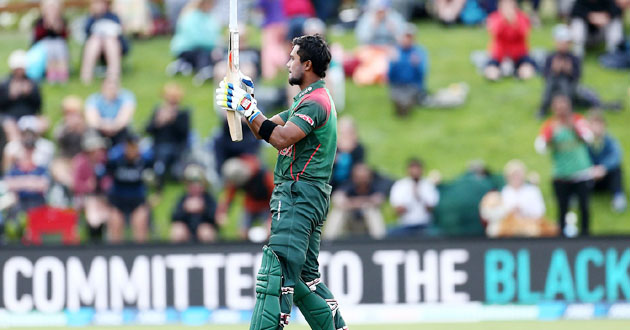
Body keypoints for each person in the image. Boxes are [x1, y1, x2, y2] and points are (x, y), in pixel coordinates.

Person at [216, 34, 348, 330]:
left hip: (298, 195)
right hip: (304, 196)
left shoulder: (315, 102)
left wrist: (248, 108)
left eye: (293, 58)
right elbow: (268, 128)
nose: (288, 63)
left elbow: (281, 139)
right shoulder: (308, 99)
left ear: (308, 64)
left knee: (275, 272)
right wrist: (246, 105)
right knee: (305, 279)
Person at [535, 94, 594, 236]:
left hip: (581, 173)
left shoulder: (578, 121)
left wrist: (574, 128)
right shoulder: (551, 126)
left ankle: (586, 235)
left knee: (584, 207)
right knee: (562, 208)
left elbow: (589, 138)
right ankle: (561, 237)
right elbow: (540, 147)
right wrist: (551, 135)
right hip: (561, 174)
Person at [538, 24, 615, 118]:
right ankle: (543, 109)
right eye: (560, 42)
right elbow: (545, 76)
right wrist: (554, 70)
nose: (563, 45)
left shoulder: (574, 58)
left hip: (570, 88)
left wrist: (569, 71)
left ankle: (568, 110)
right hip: (553, 88)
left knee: (565, 84)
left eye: (565, 42)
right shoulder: (550, 57)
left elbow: (578, 77)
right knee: (551, 85)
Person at [106, 133, 152, 243]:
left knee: (140, 224)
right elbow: (105, 174)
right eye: (129, 146)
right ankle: (115, 255)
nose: (132, 150)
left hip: (137, 198)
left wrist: (156, 194)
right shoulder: (114, 158)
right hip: (118, 198)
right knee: (115, 225)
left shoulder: (146, 159)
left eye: (134, 146)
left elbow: (156, 177)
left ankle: (141, 254)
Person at [145, 83, 190, 191]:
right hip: (157, 146)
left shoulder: (183, 113)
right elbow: (148, 130)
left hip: (176, 147)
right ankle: (156, 173)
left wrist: (174, 120)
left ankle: (159, 173)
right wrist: (158, 122)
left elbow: (184, 134)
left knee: (165, 152)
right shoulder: (158, 111)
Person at [217, 156, 274, 241]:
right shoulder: (235, 176)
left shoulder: (264, 176)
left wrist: (271, 219)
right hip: (250, 207)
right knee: (242, 233)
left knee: (271, 231)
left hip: (267, 207)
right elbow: (228, 197)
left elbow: (277, 197)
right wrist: (222, 213)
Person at [324, 163, 386, 240]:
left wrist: (352, 203)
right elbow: (337, 199)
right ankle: (328, 242)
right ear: (354, 177)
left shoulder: (375, 186)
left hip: (366, 224)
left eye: (364, 177)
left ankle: (379, 242)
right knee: (338, 212)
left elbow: (378, 200)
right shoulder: (347, 185)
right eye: (359, 177)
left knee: (371, 211)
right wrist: (364, 202)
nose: (362, 180)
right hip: (349, 222)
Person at [353, 0, 407, 85]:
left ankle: (378, 75)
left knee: (394, 58)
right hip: (371, 49)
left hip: (389, 49)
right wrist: (374, 26)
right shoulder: (367, 18)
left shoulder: (395, 18)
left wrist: (393, 30)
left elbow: (403, 40)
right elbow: (362, 40)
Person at [168, 0, 221, 83]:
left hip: (205, 48)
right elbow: (195, 39)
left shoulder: (209, 17)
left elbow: (215, 34)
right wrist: (215, 44)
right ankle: (203, 70)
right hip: (188, 48)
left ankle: (184, 65)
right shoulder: (190, 16)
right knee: (202, 54)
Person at [0, 50, 46, 142]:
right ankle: (17, 149)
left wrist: (30, 94)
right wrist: (10, 95)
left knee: (43, 123)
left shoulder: (32, 83)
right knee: (11, 128)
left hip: (29, 116)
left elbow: (39, 105)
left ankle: (33, 146)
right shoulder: (5, 83)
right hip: (9, 116)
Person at [484, 0, 535, 81]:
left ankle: (515, 73)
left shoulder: (522, 17)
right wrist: (504, 20)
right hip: (499, 54)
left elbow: (524, 33)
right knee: (491, 72)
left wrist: (514, 22)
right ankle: (502, 72)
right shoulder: (494, 17)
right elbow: (495, 32)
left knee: (527, 71)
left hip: (519, 54)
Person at [80, 0, 129, 84]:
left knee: (110, 41)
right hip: (96, 46)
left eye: (101, 3)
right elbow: (86, 31)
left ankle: (113, 76)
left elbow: (119, 31)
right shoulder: (91, 17)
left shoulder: (113, 16)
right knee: (95, 40)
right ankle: (86, 76)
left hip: (113, 45)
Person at [72, 132, 109, 241]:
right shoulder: (80, 162)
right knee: (93, 207)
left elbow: (109, 181)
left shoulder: (104, 162)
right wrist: (88, 186)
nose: (100, 151)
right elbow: (76, 185)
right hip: (84, 197)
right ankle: (94, 237)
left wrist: (103, 185)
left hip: (102, 197)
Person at [389, 158, 439, 237]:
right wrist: (410, 196)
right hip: (406, 225)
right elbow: (398, 210)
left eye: (417, 168)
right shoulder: (400, 185)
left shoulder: (428, 185)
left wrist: (419, 195)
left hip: (425, 225)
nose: (415, 171)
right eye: (412, 168)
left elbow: (432, 209)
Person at [588, 110, 626, 213]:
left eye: (599, 125)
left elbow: (617, 155)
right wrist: (591, 169)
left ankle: (618, 197)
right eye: (594, 125)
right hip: (589, 177)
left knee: (617, 170)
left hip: (605, 176)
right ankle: (577, 196)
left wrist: (603, 167)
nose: (596, 129)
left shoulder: (609, 140)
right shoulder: (585, 141)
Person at [388, 24, 429, 116]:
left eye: (409, 37)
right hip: (398, 86)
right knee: (398, 96)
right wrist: (393, 64)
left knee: (408, 97)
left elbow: (422, 77)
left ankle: (405, 107)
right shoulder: (394, 52)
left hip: (412, 86)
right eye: (404, 37)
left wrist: (417, 65)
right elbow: (390, 78)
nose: (407, 40)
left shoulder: (419, 52)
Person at [170, 163, 218, 243]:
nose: (195, 186)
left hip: (202, 231)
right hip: (187, 232)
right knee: (178, 230)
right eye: (191, 183)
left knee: (206, 231)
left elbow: (216, 219)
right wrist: (185, 209)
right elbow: (173, 217)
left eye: (198, 183)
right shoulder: (183, 198)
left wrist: (203, 209)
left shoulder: (208, 198)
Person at [50, 96, 87, 191]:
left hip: (82, 160)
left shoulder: (86, 127)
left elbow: (90, 145)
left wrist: (80, 129)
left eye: (74, 113)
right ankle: (71, 188)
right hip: (65, 159)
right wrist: (68, 129)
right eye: (68, 114)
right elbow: (57, 139)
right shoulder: (61, 127)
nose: (71, 117)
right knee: (57, 168)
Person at [85, 78, 136, 145]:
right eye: (108, 87)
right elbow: (92, 121)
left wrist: (112, 126)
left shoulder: (126, 97)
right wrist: (106, 126)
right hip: (99, 131)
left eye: (113, 87)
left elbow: (124, 119)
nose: (111, 90)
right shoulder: (94, 99)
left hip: (120, 131)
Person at [32, 0, 70, 83]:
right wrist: (46, 26)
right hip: (45, 44)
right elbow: (37, 36)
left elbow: (65, 36)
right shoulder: (40, 21)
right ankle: (51, 74)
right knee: (49, 49)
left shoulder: (62, 20)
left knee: (59, 47)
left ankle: (63, 73)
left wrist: (58, 28)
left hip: (59, 44)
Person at [331, 117, 365, 190]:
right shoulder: (332, 147)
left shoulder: (358, 148)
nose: (345, 137)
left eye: (348, 133)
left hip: (350, 182)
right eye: (342, 133)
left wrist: (348, 152)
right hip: (331, 181)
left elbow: (359, 168)